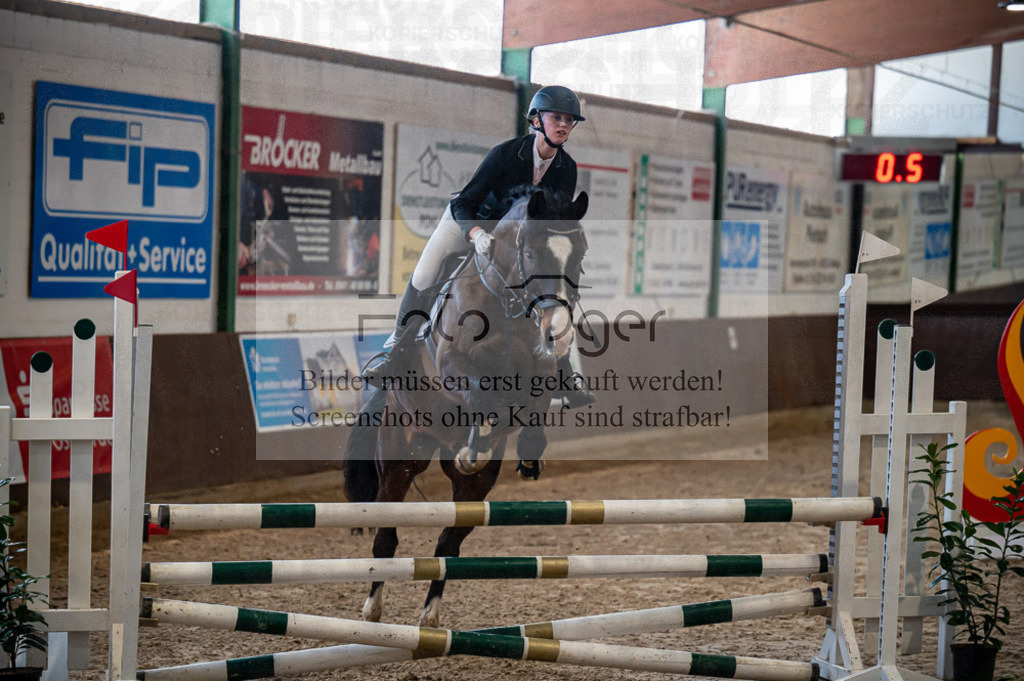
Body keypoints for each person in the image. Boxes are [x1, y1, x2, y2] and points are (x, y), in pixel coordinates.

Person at [363, 85, 595, 407]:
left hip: (513, 240)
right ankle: (394, 355)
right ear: (536, 120)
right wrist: (475, 234)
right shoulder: (505, 154)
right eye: (557, 117)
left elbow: (551, 221)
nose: (564, 125)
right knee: (425, 273)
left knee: (552, 287)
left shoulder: (566, 168)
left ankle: (562, 369)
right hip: (470, 222)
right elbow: (464, 202)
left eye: (569, 121)